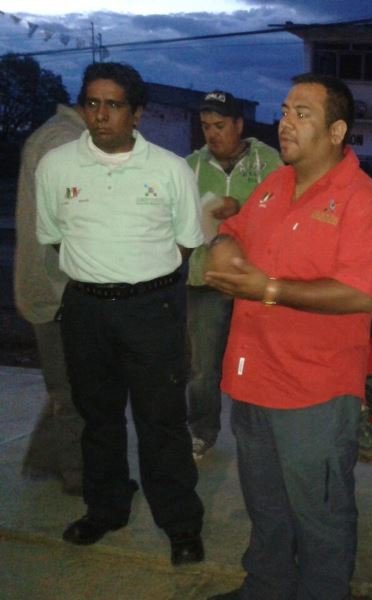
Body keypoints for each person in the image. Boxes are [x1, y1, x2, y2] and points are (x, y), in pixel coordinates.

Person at [204, 73, 372, 600]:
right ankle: (265, 587)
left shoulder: (363, 201)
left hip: (314, 391)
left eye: (302, 114)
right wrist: (225, 251)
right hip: (252, 379)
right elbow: (231, 231)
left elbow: (360, 293)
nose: (285, 123)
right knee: (265, 506)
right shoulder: (274, 185)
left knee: (321, 515)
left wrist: (268, 289)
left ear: (336, 131)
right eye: (285, 111)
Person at [35, 62, 205, 565]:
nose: (101, 114)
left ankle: (180, 524)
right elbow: (54, 236)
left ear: (137, 113)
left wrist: (140, 275)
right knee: (97, 418)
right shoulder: (56, 166)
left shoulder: (170, 170)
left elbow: (185, 242)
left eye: (113, 105)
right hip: (85, 310)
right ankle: (106, 508)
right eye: (92, 103)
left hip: (152, 310)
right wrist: (101, 273)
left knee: (162, 422)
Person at [185, 90, 282, 461]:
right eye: (206, 126)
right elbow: (178, 221)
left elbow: (283, 214)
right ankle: (202, 432)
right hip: (205, 280)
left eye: (220, 125)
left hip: (253, 283)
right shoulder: (191, 166)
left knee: (257, 362)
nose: (212, 134)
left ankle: (258, 433)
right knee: (202, 367)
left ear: (239, 125)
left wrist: (238, 208)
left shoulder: (268, 162)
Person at [14, 104, 86, 496]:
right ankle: (77, 474)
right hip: (58, 289)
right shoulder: (65, 141)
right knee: (72, 390)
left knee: (69, 381)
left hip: (51, 285)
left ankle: (44, 459)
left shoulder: (55, 133)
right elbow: (72, 219)